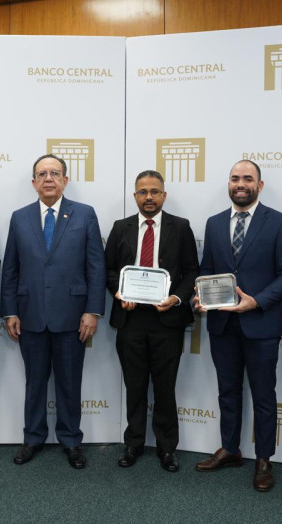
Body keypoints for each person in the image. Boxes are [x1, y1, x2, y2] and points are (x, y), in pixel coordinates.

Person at [194, 160, 282, 492]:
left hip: (262, 323)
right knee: (228, 392)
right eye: (235, 178)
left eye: (247, 179)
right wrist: (200, 296)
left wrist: (258, 300)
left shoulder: (280, 223)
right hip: (222, 325)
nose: (241, 184)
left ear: (260, 185)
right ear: (228, 183)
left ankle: (264, 459)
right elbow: (207, 269)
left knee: (264, 395)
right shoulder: (213, 223)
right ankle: (231, 449)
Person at [0, 154, 106, 469]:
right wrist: (9, 311)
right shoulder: (19, 217)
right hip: (30, 314)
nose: (49, 178)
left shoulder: (84, 215)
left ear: (65, 180)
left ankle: (71, 440)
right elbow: (11, 269)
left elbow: (96, 267)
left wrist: (92, 311)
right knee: (34, 382)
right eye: (42, 174)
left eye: (55, 173)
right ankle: (32, 438)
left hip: (73, 317)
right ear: (33, 182)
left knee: (69, 383)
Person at [104, 170, 199, 472]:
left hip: (166, 319)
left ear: (164, 195)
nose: (148, 197)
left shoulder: (180, 227)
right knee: (134, 386)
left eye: (154, 191)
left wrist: (176, 298)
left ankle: (167, 448)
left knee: (165, 387)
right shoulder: (120, 228)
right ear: (135, 196)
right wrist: (119, 293)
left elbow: (191, 271)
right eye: (143, 192)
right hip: (131, 319)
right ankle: (133, 443)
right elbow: (107, 271)